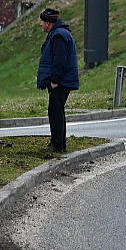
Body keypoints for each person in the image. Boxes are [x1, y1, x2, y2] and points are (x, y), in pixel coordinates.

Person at [36, 8, 80, 154]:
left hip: (61, 81)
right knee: (56, 111)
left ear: (48, 22)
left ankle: (58, 145)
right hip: (62, 80)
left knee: (56, 112)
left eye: (42, 21)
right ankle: (58, 142)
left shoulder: (59, 35)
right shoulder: (57, 33)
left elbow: (59, 60)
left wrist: (55, 80)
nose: (40, 24)